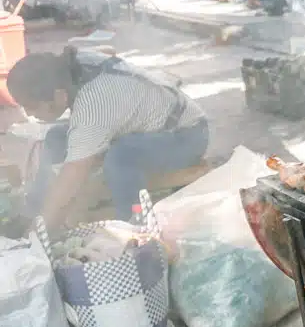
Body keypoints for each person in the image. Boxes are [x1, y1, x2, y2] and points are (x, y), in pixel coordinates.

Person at [9, 47, 209, 233]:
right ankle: (32, 213)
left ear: (60, 96)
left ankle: (134, 229)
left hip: (186, 134)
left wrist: (43, 233)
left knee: (120, 158)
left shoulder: (93, 105)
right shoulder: (70, 66)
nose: (28, 114)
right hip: (142, 128)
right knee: (55, 138)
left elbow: (72, 176)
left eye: (32, 106)